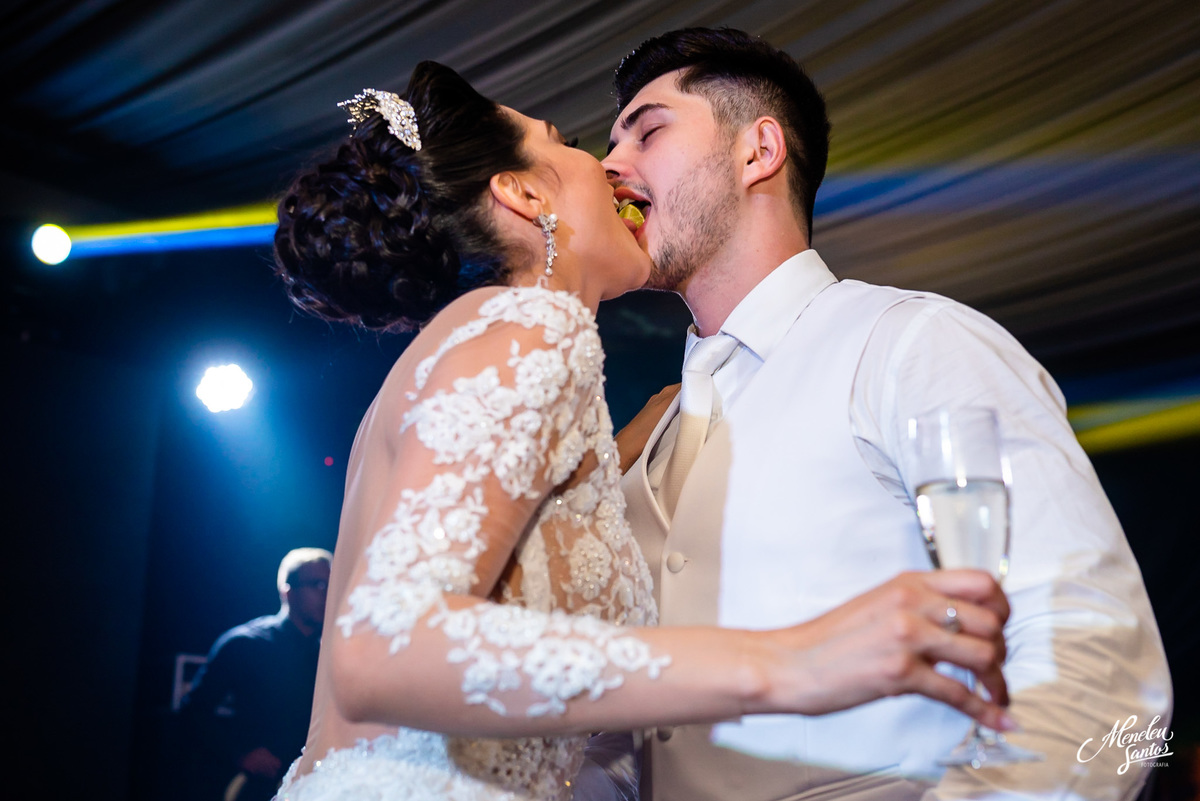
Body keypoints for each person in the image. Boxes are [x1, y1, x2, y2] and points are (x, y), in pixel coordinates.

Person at [265, 61, 1016, 801]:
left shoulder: (471, 352)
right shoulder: (530, 328)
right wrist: (791, 661)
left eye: (644, 134)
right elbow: (382, 654)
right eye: (569, 143)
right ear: (523, 192)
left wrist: (622, 452)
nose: (611, 168)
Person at [602, 27, 1174, 800]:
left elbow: (1099, 655)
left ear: (757, 151)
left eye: (649, 130)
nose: (610, 168)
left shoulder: (912, 343)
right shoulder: (650, 435)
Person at [181, 547, 332, 801]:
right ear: (287, 591)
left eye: (330, 585)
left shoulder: (334, 653)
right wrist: (240, 753)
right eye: (317, 584)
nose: (326, 594)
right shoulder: (245, 643)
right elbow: (194, 712)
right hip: (259, 788)